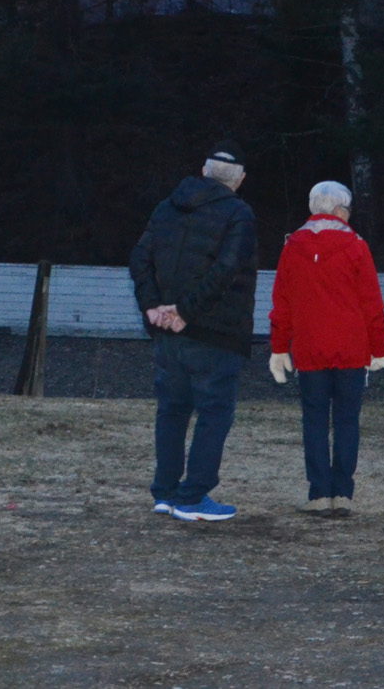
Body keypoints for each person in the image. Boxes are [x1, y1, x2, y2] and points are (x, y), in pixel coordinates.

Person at [128, 142, 258, 523]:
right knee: (214, 412)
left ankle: (165, 492)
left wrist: (153, 307)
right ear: (240, 180)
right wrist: (185, 312)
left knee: (171, 410)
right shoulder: (239, 213)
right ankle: (193, 496)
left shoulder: (167, 207)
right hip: (214, 331)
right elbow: (227, 269)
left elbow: (140, 257)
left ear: (203, 171)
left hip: (168, 332)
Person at [267, 180, 384, 517]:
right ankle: (343, 493)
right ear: (338, 210)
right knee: (347, 420)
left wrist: (279, 347)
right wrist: (378, 347)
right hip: (351, 348)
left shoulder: (293, 246)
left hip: (309, 348)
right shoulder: (357, 246)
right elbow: (372, 303)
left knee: (315, 420)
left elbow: (282, 303)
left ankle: (319, 493)